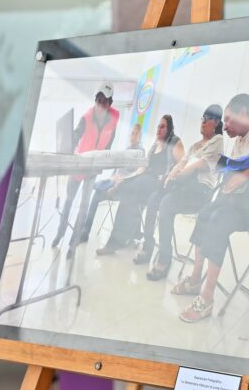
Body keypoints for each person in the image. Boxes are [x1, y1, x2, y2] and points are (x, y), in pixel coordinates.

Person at [173, 93, 249, 323]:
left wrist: (248, 174)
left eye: (228, 120)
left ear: (244, 114)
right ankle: (196, 278)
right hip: (244, 201)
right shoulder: (238, 140)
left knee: (219, 218)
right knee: (207, 212)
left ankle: (206, 299)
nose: (223, 126)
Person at [143, 105, 224, 280]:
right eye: (202, 117)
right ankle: (147, 246)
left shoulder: (217, 141)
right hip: (184, 186)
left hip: (201, 192)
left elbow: (198, 165)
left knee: (166, 204)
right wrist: (173, 175)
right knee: (153, 199)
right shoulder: (195, 145)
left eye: (207, 118)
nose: (203, 121)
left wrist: (174, 175)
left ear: (216, 122)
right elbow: (181, 164)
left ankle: (164, 258)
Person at [95, 114, 183, 255]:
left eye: (163, 126)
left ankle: (119, 240)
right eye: (158, 126)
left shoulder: (175, 142)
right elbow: (144, 166)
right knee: (129, 192)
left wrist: (168, 176)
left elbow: (181, 164)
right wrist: (129, 177)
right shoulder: (155, 145)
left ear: (170, 128)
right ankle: (120, 239)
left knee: (131, 189)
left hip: (160, 184)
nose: (159, 129)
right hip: (146, 181)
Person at [51, 82, 120, 248]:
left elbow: (109, 145)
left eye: (104, 101)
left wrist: (103, 161)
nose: (100, 105)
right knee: (68, 201)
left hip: (93, 169)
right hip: (78, 166)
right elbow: (75, 136)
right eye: (98, 100)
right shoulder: (86, 117)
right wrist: (69, 149)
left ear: (110, 104)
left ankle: (74, 241)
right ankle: (60, 233)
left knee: (83, 207)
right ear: (95, 100)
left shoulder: (113, 121)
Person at [78, 123, 144, 244]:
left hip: (123, 185)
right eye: (131, 133)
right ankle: (85, 232)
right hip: (114, 181)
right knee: (97, 195)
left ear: (139, 136)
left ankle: (98, 184)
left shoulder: (141, 152)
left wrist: (122, 179)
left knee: (99, 189)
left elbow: (137, 173)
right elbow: (117, 168)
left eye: (135, 134)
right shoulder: (127, 149)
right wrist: (113, 176)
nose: (132, 136)